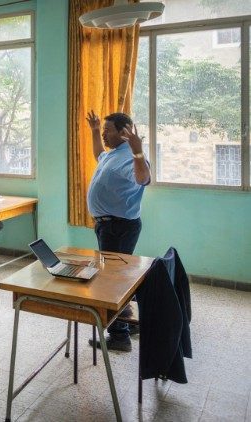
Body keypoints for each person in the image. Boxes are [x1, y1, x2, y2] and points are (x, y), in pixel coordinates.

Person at [86, 111, 150, 353]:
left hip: (118, 227)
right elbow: (97, 155)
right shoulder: (113, 155)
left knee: (112, 281)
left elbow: (143, 179)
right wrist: (93, 132)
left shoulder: (130, 157)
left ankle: (119, 336)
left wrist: (137, 150)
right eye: (103, 130)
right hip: (108, 225)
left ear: (124, 133)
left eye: (107, 130)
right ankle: (127, 323)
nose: (104, 133)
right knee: (117, 276)